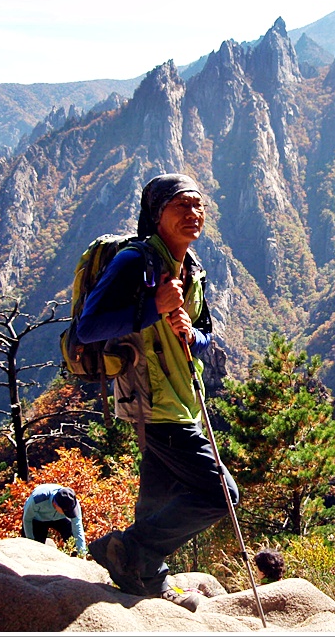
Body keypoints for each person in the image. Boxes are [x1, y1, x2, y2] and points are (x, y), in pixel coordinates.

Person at [77, 173, 239, 613]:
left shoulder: (193, 267)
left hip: (183, 397)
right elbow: (88, 328)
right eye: (180, 206)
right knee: (220, 494)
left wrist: (190, 330)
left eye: (198, 205)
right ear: (156, 214)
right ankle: (129, 550)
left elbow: (205, 335)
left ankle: (146, 579)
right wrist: (154, 308)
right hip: (152, 402)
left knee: (157, 497)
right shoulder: (135, 261)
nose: (193, 214)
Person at [21, 484, 88, 557]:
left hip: (60, 519)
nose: (69, 512)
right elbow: (27, 519)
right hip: (38, 519)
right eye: (66, 512)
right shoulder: (38, 499)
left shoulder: (71, 502)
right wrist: (30, 541)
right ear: (56, 504)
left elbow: (77, 527)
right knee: (35, 549)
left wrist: (82, 553)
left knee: (72, 538)